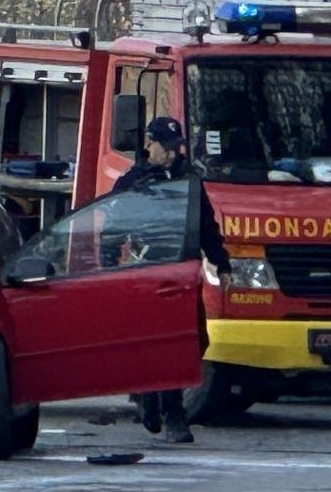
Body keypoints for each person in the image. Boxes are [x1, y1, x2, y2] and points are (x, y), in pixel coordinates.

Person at [112, 116, 232, 444]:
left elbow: (206, 225)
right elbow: (112, 226)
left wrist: (222, 263)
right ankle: (170, 413)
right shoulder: (134, 180)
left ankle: (152, 396)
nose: (155, 150)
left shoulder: (189, 180)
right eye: (154, 144)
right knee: (164, 344)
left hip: (183, 272)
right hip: (149, 272)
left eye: (162, 145)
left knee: (195, 342)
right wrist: (108, 265)